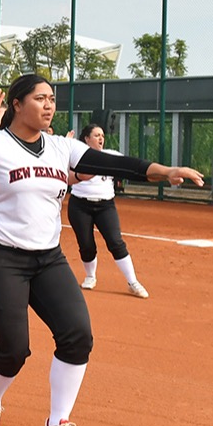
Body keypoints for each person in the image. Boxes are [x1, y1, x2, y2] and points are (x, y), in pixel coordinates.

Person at [0, 74, 204, 426]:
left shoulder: (61, 147)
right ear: (16, 104)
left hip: (48, 257)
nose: (49, 105)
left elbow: (114, 163)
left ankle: (58, 423)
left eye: (52, 98)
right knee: (13, 349)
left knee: (78, 334)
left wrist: (163, 171)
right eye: (40, 98)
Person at [67, 124, 148, 298]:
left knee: (116, 242)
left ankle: (133, 282)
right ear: (86, 139)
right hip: (80, 206)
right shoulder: (75, 156)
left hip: (105, 206)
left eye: (102, 135)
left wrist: (163, 173)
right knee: (86, 244)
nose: (101, 138)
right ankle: (90, 276)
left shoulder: (111, 156)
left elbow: (132, 167)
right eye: (96, 135)